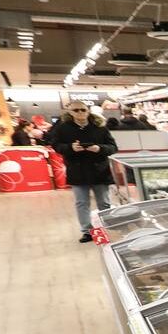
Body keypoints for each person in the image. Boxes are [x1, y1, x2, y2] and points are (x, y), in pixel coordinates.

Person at [53, 100, 118, 242]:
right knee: (82, 203)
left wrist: (99, 148)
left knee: (104, 202)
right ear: (70, 112)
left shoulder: (100, 127)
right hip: (77, 171)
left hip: (99, 170)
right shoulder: (63, 129)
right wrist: (70, 148)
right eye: (76, 110)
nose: (80, 113)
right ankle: (88, 232)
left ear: (88, 111)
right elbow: (56, 146)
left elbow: (113, 147)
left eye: (83, 110)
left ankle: (106, 228)